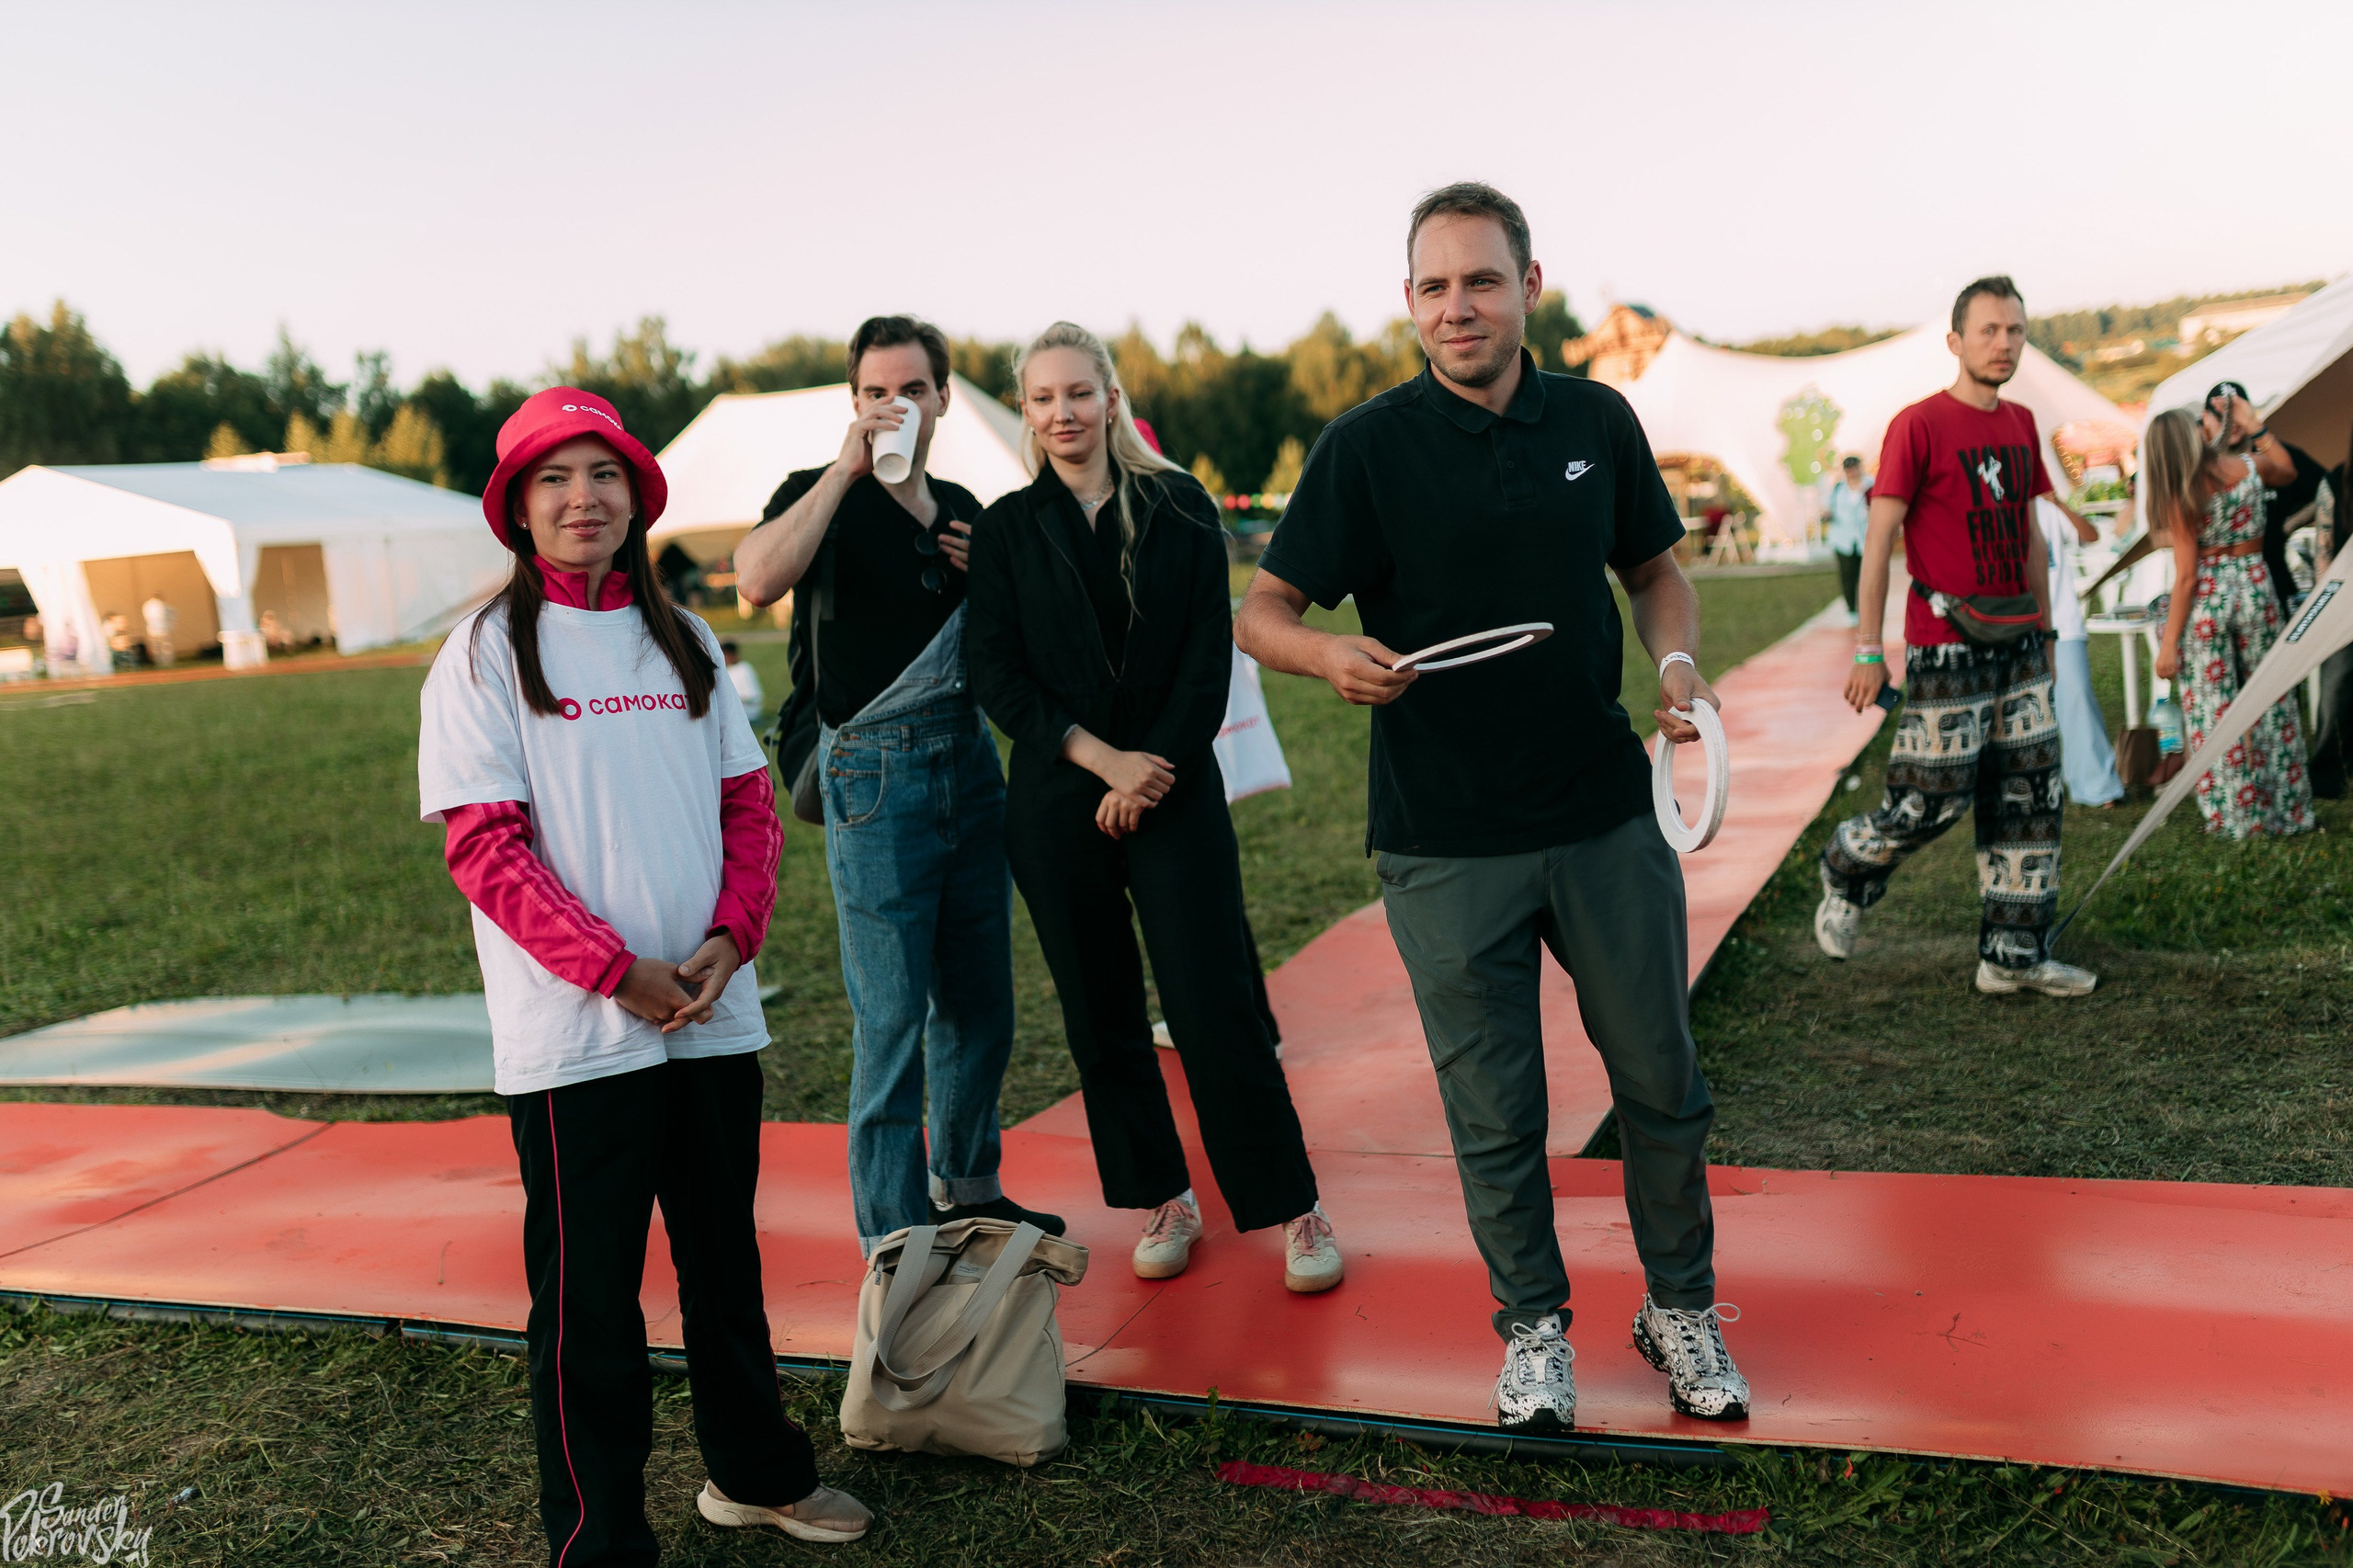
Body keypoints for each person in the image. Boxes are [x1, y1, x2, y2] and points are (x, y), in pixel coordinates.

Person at [1235, 182, 1747, 1432]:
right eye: (1432, 285)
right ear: (1407, 301)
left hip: (1602, 816)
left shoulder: (1595, 419)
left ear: (1530, 284)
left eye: (1479, 280)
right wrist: (1328, 659)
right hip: (1443, 837)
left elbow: (1657, 572)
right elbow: (1263, 609)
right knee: (1497, 1108)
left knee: (1662, 1083)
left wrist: (1676, 666)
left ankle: (1680, 1304)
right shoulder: (1366, 446)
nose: (1455, 307)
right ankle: (1533, 1332)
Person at [418, 388, 871, 1558]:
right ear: (518, 505)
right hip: (580, 1038)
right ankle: (599, 1538)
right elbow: (486, 849)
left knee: (726, 1268)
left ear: (636, 493)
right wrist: (616, 971)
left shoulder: (687, 640)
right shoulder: (477, 656)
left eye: (604, 474)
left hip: (711, 1018)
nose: (584, 497)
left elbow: (747, 803)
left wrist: (732, 936)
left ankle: (756, 1472)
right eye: (555, 478)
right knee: (590, 1310)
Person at [967, 321, 1343, 1295]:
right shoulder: (1007, 528)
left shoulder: (1176, 503)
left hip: (1174, 791)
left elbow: (1204, 658)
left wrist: (1152, 771)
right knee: (1101, 1014)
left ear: (1111, 397)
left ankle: (1292, 1201)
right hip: (1058, 801)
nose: (1062, 414)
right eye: (1043, 398)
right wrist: (1102, 762)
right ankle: (1162, 1193)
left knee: (1212, 1000)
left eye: (1078, 394)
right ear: (1028, 409)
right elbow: (997, 675)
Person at [733, 315, 1055, 1256]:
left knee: (980, 1003)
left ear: (944, 398)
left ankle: (970, 1188)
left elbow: (1023, 647)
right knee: (889, 1018)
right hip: (871, 773)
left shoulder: (967, 506)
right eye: (875, 391)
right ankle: (896, 1237)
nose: (893, 406)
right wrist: (842, 472)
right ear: (853, 403)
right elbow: (755, 578)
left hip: (967, 759)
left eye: (911, 389)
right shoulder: (814, 492)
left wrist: (988, 575)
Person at [1821, 275, 2097, 997]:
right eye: (1989, 331)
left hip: (2020, 640)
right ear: (1956, 341)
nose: (2004, 343)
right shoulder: (1919, 425)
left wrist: (2044, 628)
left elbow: (2033, 533)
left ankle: (2013, 956)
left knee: (2030, 798)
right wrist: (1866, 648)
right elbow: (1879, 540)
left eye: (2015, 331)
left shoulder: (2022, 424)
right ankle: (1849, 863)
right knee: (1929, 798)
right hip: (1945, 643)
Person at [2140, 404, 2314, 838]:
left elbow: (2185, 578)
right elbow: (2290, 473)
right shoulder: (2249, 467)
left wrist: (2167, 647)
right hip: (2256, 585)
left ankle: (2235, 818)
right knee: (2273, 702)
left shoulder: (2184, 492)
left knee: (2211, 712)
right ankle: (2289, 813)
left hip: (2209, 601)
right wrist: (2260, 430)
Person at [2037, 495, 2123, 805]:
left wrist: (2058, 502)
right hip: (2012, 624)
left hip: (2062, 623)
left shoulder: (2045, 507)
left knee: (2077, 697)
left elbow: (2091, 536)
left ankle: (2098, 786)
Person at [1826, 455, 1871, 620]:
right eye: (1848, 468)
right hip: (1843, 539)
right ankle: (1851, 609)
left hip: (1865, 538)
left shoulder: (1870, 484)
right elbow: (1828, 507)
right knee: (1848, 575)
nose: (1851, 471)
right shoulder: (1838, 488)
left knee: (1867, 575)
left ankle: (1867, 608)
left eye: (1853, 467)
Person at [721, 638, 765, 712]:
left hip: (748, 709)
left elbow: (751, 696)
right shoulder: (729, 670)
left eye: (725, 655)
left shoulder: (744, 669)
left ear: (733, 654)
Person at [140, 594, 175, 667]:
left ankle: (159, 662)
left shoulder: (146, 605)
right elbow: (170, 614)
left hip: (152, 630)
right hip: (163, 629)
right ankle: (167, 662)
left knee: (156, 648)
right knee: (165, 647)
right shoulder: (162, 604)